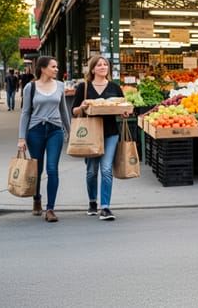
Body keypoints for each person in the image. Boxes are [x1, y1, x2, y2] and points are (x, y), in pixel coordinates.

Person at [72, 55, 130, 221]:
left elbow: (122, 108)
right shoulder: (83, 88)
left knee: (106, 169)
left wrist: (124, 112)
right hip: (91, 134)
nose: (103, 67)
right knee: (91, 171)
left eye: (105, 64)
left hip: (111, 132)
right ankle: (92, 202)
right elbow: (73, 111)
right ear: (92, 69)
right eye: (99, 65)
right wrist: (81, 107)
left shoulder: (115, 88)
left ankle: (105, 207)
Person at [17, 56, 71, 223]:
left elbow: (63, 111)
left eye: (57, 66)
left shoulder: (60, 86)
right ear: (43, 68)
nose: (56, 69)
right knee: (37, 169)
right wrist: (21, 137)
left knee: (52, 168)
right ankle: (37, 199)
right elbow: (25, 112)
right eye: (53, 67)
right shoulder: (30, 87)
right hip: (35, 132)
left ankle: (50, 209)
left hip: (55, 131)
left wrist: (71, 133)